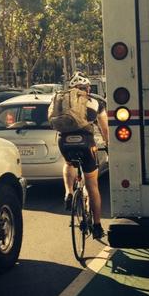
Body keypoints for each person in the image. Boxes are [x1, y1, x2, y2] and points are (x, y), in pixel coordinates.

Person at [56, 72, 109, 240]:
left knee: (68, 163)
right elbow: (105, 128)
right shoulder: (95, 102)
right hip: (86, 143)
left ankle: (69, 192)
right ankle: (98, 225)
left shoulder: (62, 101)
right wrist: (108, 145)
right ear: (87, 88)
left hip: (64, 141)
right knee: (92, 185)